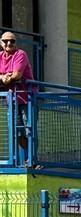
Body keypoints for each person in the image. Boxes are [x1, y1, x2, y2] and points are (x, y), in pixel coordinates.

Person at [0, 32, 34, 163]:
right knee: (16, 131)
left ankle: (32, 160)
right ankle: (28, 158)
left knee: (29, 130)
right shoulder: (0, 56)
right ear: (1, 43)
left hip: (27, 98)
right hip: (12, 99)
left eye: (12, 41)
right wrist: (3, 77)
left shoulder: (20, 54)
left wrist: (7, 77)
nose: (9, 43)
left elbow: (17, 75)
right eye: (6, 41)